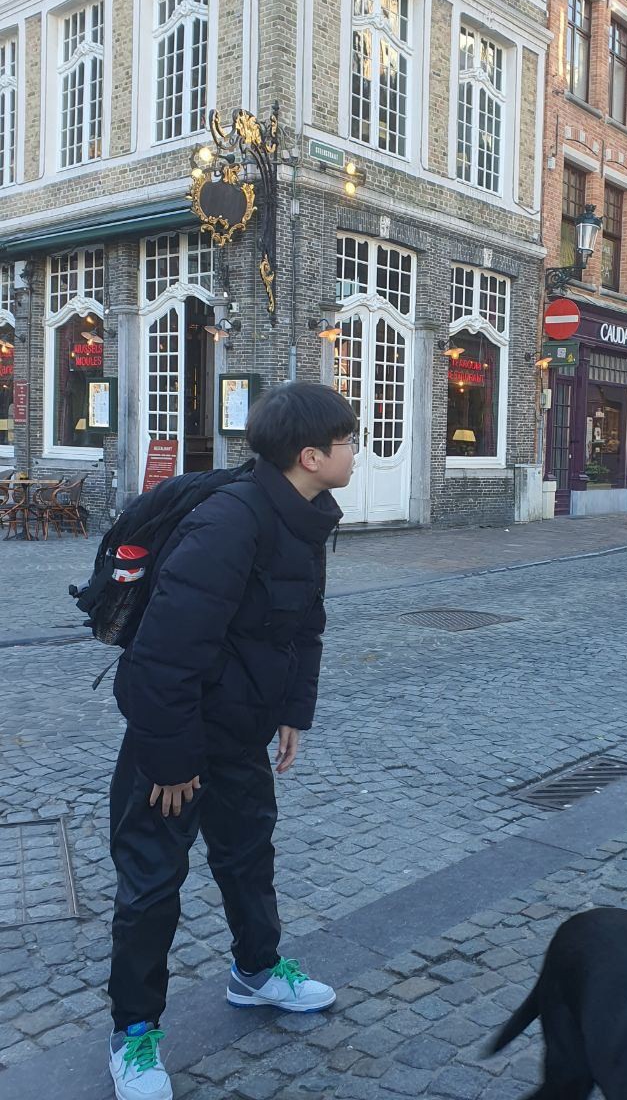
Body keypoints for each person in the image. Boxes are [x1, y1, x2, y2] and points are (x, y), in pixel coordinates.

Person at [107, 382, 357, 1100]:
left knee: (248, 856)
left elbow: (304, 627)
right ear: (310, 456)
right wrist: (171, 758)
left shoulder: (307, 517)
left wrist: (293, 712)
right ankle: (133, 1034)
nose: (356, 452)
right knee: (153, 883)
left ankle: (256, 971)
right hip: (173, 741)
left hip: (240, 730)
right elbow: (163, 653)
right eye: (348, 442)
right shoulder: (229, 522)